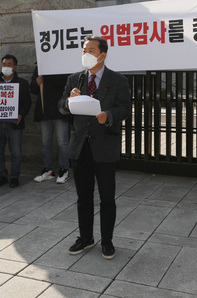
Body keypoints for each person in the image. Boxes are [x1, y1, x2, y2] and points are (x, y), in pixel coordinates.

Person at [59, 35, 131, 260]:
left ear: (103, 55)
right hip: (81, 147)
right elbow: (61, 107)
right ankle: (86, 237)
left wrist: (107, 116)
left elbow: (125, 108)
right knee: (83, 197)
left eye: (91, 50)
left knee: (107, 197)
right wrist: (69, 101)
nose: (86, 54)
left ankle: (107, 241)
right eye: (84, 50)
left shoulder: (118, 80)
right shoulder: (74, 79)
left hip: (105, 147)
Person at [0, 54, 31, 188]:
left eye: (9, 65)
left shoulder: (22, 83)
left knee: (16, 152)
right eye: (4, 65)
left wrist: (21, 115)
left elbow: (27, 102)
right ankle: (1, 176)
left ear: (15, 67)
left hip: (15, 124)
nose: (6, 67)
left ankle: (14, 177)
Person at [30, 63, 71, 184]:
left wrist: (47, 78)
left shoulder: (63, 66)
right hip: (45, 109)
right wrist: (37, 83)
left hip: (60, 110)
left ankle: (64, 169)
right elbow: (33, 89)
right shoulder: (40, 67)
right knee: (45, 142)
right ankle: (48, 169)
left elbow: (66, 85)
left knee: (62, 142)